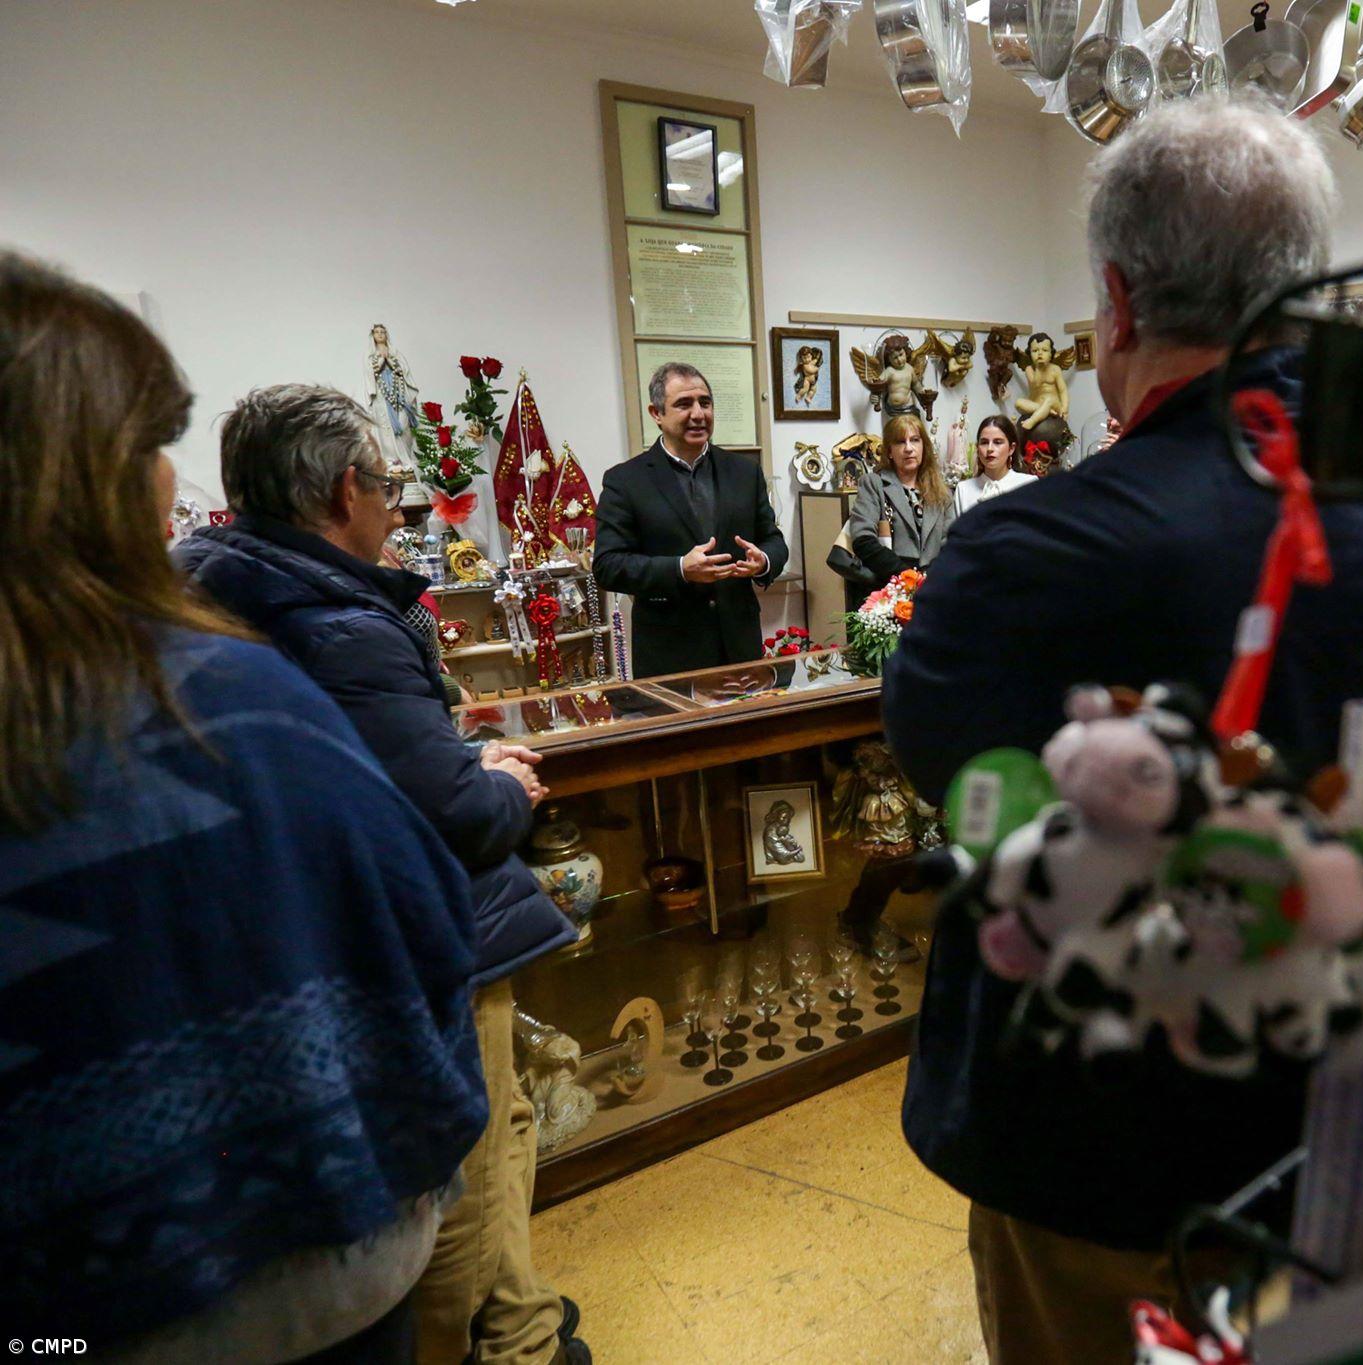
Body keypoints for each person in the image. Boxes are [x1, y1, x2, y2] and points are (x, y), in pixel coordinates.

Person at [882, 98, 1363, 1364]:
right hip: (1315, 1107)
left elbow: (954, 782)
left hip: (1095, 1135)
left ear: (1120, 305)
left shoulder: (1021, 546)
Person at [0, 254, 487, 1362]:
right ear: (93, 473)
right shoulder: (226, 697)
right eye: (148, 448)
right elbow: (418, 929)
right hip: (289, 1273)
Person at [173, 386, 587, 1365]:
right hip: (431, 940)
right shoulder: (342, 623)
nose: (402, 509)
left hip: (320, 943)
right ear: (347, 491)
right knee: (468, 1177)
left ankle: (525, 1328)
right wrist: (500, 782)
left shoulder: (221, 586)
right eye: (393, 485)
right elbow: (457, 818)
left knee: (510, 1117)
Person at [593, 362, 788, 678]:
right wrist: (680, 569)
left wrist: (763, 560)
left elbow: (773, 539)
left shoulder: (744, 472)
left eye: (705, 402)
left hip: (740, 650)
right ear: (656, 413)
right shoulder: (625, 481)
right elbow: (607, 565)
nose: (699, 414)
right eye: (684, 404)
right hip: (670, 656)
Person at [848, 412, 957, 580]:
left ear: (924, 447)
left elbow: (952, 544)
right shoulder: (873, 484)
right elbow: (863, 541)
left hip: (934, 583)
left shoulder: (943, 491)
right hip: (889, 583)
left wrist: (928, 578)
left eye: (915, 440)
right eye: (900, 442)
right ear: (889, 451)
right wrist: (908, 577)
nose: (908, 448)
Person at [952, 415, 1036, 516]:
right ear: (977, 448)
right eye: (984, 442)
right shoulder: (964, 489)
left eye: (997, 442)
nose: (990, 449)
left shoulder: (1029, 484)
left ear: (1011, 448)